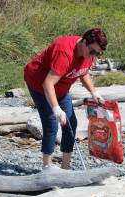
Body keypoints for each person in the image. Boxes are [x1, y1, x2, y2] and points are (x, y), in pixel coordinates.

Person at [24, 28, 107, 169]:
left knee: (70, 124)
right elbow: (47, 83)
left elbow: (83, 71)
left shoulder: (89, 53)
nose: (94, 56)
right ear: (84, 42)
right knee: (51, 124)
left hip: (61, 88)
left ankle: (65, 167)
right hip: (40, 84)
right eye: (93, 52)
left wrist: (94, 92)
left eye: (98, 53)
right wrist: (56, 109)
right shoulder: (65, 53)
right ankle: (47, 169)